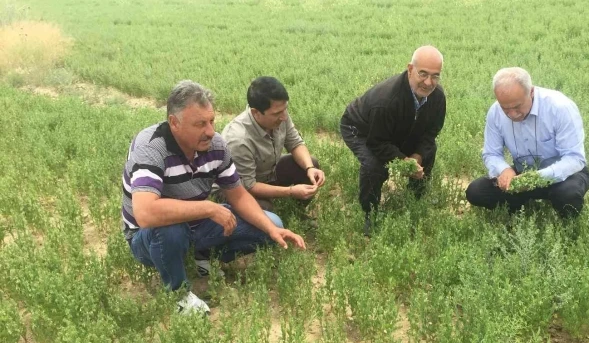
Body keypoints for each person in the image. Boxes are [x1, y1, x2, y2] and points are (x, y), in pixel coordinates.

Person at [122, 80, 305, 314]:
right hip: (147, 237)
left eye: (211, 121)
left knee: (272, 223)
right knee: (169, 229)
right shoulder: (151, 148)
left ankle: (203, 257)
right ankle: (179, 293)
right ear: (174, 123)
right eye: (200, 124)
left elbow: (238, 195)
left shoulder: (215, 145)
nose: (209, 131)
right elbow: (146, 213)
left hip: (196, 225)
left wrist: (271, 230)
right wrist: (208, 209)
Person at [340, 45, 446, 234]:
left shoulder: (437, 97)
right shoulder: (387, 101)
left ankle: (415, 198)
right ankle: (370, 214)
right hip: (361, 128)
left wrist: (417, 157)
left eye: (435, 76)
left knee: (429, 151)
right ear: (410, 69)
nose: (429, 82)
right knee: (375, 166)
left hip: (394, 129)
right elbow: (377, 143)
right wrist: (403, 161)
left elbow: (430, 133)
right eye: (423, 74)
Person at [466, 67, 589, 218]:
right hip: (522, 174)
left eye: (517, 106)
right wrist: (504, 170)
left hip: (563, 175)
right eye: (505, 108)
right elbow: (491, 153)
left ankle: (565, 222)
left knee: (568, 195)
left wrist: (536, 179)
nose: (512, 114)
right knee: (476, 192)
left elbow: (574, 159)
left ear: (531, 92)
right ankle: (522, 207)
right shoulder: (495, 112)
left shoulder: (560, 107)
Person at [221, 76, 325, 212]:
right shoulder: (238, 139)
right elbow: (249, 186)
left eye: (285, 109)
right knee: (265, 209)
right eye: (277, 113)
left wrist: (309, 168)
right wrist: (291, 191)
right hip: (237, 189)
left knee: (310, 163)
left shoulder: (280, 116)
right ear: (255, 112)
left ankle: (296, 213)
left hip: (268, 174)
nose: (284, 117)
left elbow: (295, 143)